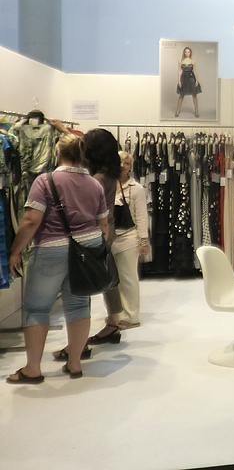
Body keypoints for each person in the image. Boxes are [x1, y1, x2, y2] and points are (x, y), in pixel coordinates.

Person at [6, 133, 109, 383]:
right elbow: (103, 224)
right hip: (86, 248)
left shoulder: (45, 181)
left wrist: (16, 251)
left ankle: (33, 368)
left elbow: (31, 221)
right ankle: (75, 363)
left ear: (57, 152)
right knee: (79, 304)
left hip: (52, 248)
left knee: (37, 308)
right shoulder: (94, 184)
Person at [83, 129, 124, 347]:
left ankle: (80, 338)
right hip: (106, 228)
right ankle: (113, 323)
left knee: (86, 281)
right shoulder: (110, 172)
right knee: (108, 276)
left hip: (97, 230)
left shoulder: (97, 178)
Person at [111, 151, 149, 329]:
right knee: (112, 280)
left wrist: (144, 241)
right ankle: (117, 313)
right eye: (119, 162)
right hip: (110, 239)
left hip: (129, 238)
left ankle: (132, 317)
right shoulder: (106, 184)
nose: (122, 166)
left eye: (126, 163)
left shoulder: (136, 189)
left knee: (128, 279)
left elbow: (141, 216)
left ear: (130, 167)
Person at [175, 46, 201, 117]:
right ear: (184, 53)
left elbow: (195, 71)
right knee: (181, 95)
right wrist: (179, 81)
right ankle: (177, 111)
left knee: (194, 95)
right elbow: (179, 71)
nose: (187, 53)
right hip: (184, 78)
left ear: (190, 53)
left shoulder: (192, 61)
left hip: (191, 78)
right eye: (186, 52)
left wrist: (196, 80)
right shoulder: (181, 61)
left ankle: (196, 111)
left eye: (188, 52)